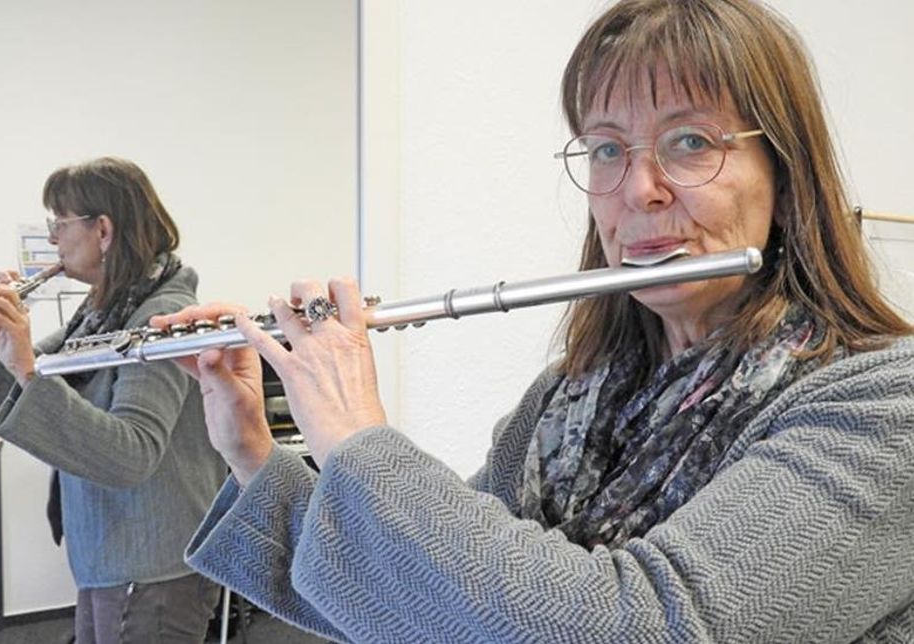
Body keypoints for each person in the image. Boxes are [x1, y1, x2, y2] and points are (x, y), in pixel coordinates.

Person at [163, 0, 914, 641]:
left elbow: (646, 624)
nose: (639, 189)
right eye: (607, 149)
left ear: (785, 173)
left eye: (691, 143)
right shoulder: (567, 399)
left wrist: (356, 437)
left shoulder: (884, 407)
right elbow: (425, 605)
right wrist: (254, 452)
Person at [0, 157, 225, 643]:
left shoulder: (159, 316)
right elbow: (28, 379)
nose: (53, 239)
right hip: (110, 550)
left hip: (151, 562)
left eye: (58, 224)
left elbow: (132, 453)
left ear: (103, 230)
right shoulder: (105, 308)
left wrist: (22, 364)